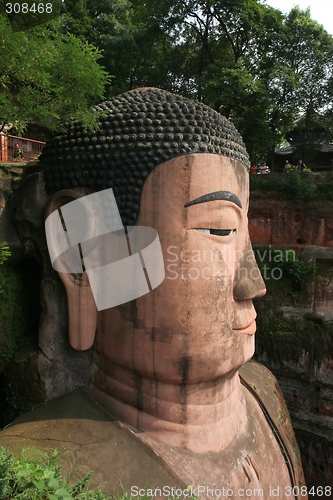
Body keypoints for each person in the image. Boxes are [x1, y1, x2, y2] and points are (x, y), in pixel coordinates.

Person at [6, 89, 307, 496]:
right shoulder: (34, 468)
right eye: (219, 229)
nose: (254, 283)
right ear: (84, 252)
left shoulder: (265, 393)